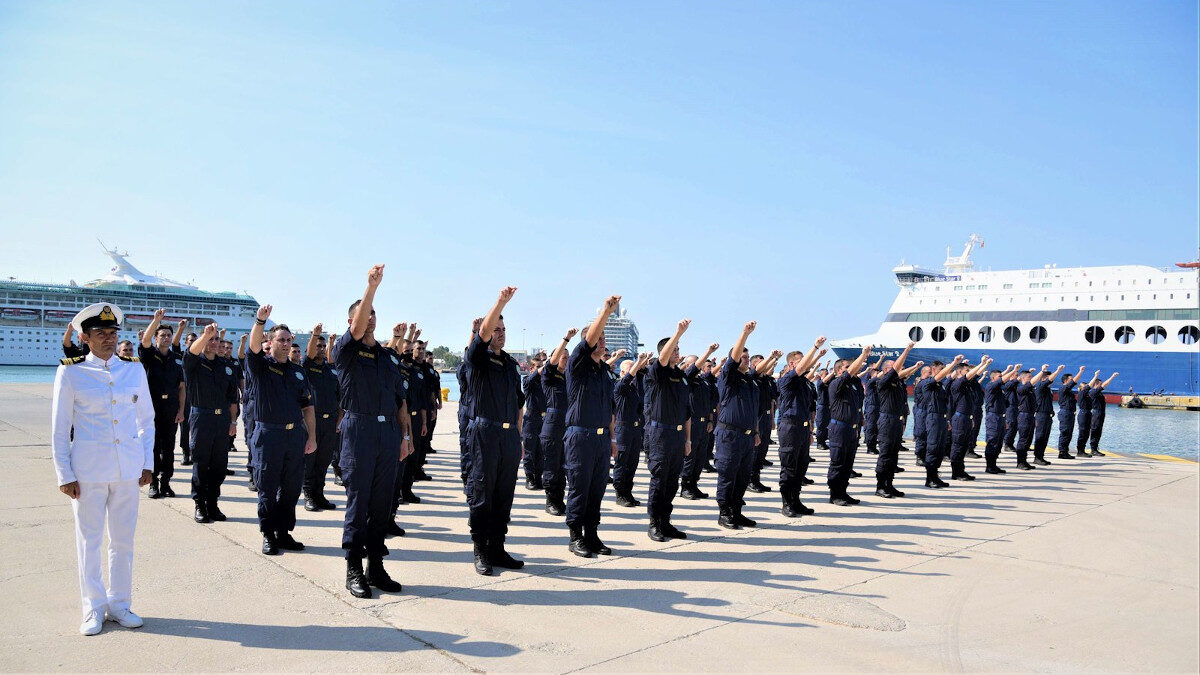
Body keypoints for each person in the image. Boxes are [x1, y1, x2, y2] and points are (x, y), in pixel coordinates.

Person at [51, 303, 154, 635]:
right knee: (89, 542)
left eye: (113, 334)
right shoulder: (71, 371)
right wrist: (64, 473)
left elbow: (147, 420)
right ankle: (93, 608)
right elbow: (59, 426)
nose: (109, 339)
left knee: (123, 541)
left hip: (127, 470)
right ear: (85, 337)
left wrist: (147, 462)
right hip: (88, 473)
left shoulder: (134, 370)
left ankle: (120, 604)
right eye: (100, 334)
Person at [332, 266, 413, 597]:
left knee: (382, 503)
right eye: (364, 316)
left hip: (388, 433)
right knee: (359, 501)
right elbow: (357, 323)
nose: (370, 320)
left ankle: (375, 567)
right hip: (358, 430)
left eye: (373, 316)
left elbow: (400, 402)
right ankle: (353, 567)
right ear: (352, 321)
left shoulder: (387, 358)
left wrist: (406, 437)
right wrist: (371, 288)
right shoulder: (346, 351)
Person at [463, 287, 526, 575]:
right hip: (483, 434)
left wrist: (519, 436)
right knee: (482, 492)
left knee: (504, 494)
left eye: (504, 328)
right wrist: (500, 303)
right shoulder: (477, 358)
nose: (500, 333)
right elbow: (482, 335)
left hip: (508, 437)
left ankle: (498, 547)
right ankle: (481, 549)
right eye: (495, 328)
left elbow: (519, 405)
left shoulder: (512, 365)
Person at [246, 306, 317, 556]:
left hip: (294, 436)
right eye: (281, 340)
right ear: (270, 341)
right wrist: (260, 320)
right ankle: (268, 534)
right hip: (268, 436)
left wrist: (312, 437)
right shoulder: (260, 367)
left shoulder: (298, 372)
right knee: (267, 487)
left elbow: (308, 407)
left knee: (291, 487)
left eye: (289, 340)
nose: (286, 344)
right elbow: (253, 346)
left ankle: (284, 532)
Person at [563, 296, 621, 557]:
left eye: (604, 340)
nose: (602, 342)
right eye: (598, 338)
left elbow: (610, 409)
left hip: (600, 440)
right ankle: (576, 537)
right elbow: (588, 341)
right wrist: (607, 312)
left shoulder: (604, 372)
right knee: (579, 487)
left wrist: (612, 439)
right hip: (579, 436)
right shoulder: (578, 364)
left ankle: (592, 534)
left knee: (597, 488)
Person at [643, 320, 694, 542]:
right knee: (660, 479)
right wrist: (678, 333)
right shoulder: (657, 372)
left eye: (678, 349)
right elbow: (663, 360)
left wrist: (688, 440)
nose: (676, 352)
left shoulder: (681, 377)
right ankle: (654, 523)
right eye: (673, 349)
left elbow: (687, 412)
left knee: (673, 480)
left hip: (677, 435)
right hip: (660, 435)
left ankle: (666, 521)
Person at [185, 323, 240, 523]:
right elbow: (191, 352)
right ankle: (199, 503)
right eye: (210, 339)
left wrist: (233, 421)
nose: (215, 342)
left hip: (222, 419)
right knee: (201, 462)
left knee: (219, 464)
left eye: (216, 339)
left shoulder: (226, 366)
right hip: (202, 417)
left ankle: (212, 503)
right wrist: (205, 334)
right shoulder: (194, 363)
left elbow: (232, 398)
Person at [714, 321, 761, 529]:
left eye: (748, 358)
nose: (747, 360)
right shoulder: (728, 376)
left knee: (743, 476)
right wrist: (745, 334)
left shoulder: (750, 381)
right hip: (729, 435)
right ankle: (724, 513)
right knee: (727, 474)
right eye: (743, 357)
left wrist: (756, 432)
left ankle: (737, 511)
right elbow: (733, 360)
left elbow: (754, 410)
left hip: (748, 436)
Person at [137, 310, 185, 500]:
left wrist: (181, 410)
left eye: (168, 335)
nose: (166, 338)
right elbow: (145, 342)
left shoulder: (177, 358)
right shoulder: (149, 356)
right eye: (162, 335)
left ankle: (166, 483)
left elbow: (182, 387)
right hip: (152, 408)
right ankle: (153, 483)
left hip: (171, 409)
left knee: (169, 448)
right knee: (154, 447)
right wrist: (156, 321)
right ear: (156, 338)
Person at [775, 338, 825, 516]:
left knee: (801, 467)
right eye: (801, 360)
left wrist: (810, 430)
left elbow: (808, 409)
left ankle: (796, 500)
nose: (805, 364)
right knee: (788, 467)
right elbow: (802, 368)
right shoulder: (787, 379)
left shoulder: (805, 383)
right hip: (790, 427)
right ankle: (786, 503)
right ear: (791, 363)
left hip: (803, 428)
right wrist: (815, 347)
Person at [826, 346, 872, 505]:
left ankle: (843, 492)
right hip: (839, 428)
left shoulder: (853, 385)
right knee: (838, 462)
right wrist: (863, 354)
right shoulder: (836, 384)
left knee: (848, 462)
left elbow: (856, 405)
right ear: (839, 371)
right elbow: (851, 371)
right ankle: (834, 494)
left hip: (851, 429)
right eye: (846, 368)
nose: (849, 370)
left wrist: (860, 418)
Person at [873, 343, 920, 498]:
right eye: (894, 368)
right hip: (886, 420)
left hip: (896, 420)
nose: (898, 370)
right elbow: (896, 370)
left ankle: (889, 484)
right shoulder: (883, 382)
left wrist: (915, 366)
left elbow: (902, 373)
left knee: (894, 454)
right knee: (885, 453)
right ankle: (880, 486)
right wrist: (906, 350)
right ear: (886, 370)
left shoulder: (898, 382)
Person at [302, 326, 341, 511]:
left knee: (324, 460)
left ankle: (319, 493)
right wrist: (315, 335)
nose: (321, 348)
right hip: (313, 421)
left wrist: (339, 420)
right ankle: (308, 494)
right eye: (318, 345)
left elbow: (340, 398)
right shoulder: (307, 367)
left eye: (323, 346)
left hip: (330, 421)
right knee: (310, 460)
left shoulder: (332, 370)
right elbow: (309, 354)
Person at [539, 328, 575, 516]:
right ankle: (551, 500)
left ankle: (560, 499)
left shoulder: (570, 378)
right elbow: (551, 364)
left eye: (568, 357)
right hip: (552, 424)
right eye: (562, 355)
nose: (566, 359)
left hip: (568, 425)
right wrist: (566, 340)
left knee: (565, 465)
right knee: (552, 465)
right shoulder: (550, 376)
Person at [680, 343, 719, 501]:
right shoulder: (687, 379)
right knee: (690, 457)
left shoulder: (703, 381)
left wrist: (710, 420)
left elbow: (709, 404)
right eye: (697, 363)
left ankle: (694, 485)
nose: (701, 365)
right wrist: (708, 351)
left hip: (704, 424)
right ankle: (685, 487)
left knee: (700, 457)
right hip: (692, 423)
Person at [612, 352, 652, 507]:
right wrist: (639, 362)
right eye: (631, 371)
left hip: (635, 430)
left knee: (632, 463)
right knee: (622, 463)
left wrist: (644, 362)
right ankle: (620, 494)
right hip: (623, 428)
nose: (634, 374)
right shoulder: (619, 386)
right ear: (622, 373)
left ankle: (628, 492)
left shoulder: (636, 388)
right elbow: (629, 377)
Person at [921, 357, 961, 487]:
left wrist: (947, 420)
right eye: (941, 369)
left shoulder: (940, 385)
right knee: (932, 448)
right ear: (934, 370)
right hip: (933, 418)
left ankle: (935, 476)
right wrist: (954, 363)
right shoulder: (928, 382)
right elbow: (943, 376)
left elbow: (949, 378)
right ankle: (929, 478)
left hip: (941, 418)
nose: (943, 371)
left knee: (940, 448)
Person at [948, 357, 991, 481]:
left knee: (964, 446)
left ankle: (961, 471)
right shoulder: (957, 383)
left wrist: (985, 365)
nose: (968, 372)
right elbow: (972, 374)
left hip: (966, 418)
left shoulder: (967, 385)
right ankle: (956, 472)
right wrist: (982, 363)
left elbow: (975, 374)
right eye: (966, 370)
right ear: (960, 372)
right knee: (958, 446)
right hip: (960, 419)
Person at [982, 364, 1020, 473]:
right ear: (993, 378)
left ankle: (994, 464)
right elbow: (1001, 381)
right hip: (993, 417)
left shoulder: (1000, 390)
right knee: (992, 440)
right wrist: (1013, 371)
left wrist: (1005, 419)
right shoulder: (990, 386)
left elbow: (1005, 404)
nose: (1001, 378)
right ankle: (989, 466)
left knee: (998, 442)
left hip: (1000, 417)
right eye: (999, 376)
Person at [521, 353, 547, 490]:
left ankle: (538, 477)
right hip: (531, 419)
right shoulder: (527, 381)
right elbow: (530, 380)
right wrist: (538, 372)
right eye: (537, 367)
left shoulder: (544, 382)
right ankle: (529, 477)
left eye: (541, 366)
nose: (541, 369)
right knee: (530, 449)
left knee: (541, 451)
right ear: (531, 369)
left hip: (544, 419)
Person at [1032, 364, 1066, 465]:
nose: (1052, 380)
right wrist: (1058, 371)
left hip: (1047, 415)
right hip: (1041, 415)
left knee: (1045, 437)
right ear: (1044, 378)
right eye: (1049, 377)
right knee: (1040, 436)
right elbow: (1048, 380)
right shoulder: (1041, 387)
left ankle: (1041, 456)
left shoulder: (1048, 389)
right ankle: (1037, 457)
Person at [1055, 366, 1087, 460]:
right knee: (1065, 432)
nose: (1072, 380)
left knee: (1069, 433)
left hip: (1069, 413)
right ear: (1065, 381)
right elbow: (1073, 383)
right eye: (1071, 379)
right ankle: (1062, 452)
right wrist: (1080, 371)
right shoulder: (1063, 389)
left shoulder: (1068, 391)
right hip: (1065, 413)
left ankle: (1065, 451)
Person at [1088, 371, 1119, 457]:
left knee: (1098, 431)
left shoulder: (1098, 392)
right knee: (1095, 430)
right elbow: (1105, 385)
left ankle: (1095, 448)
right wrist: (1112, 377)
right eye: (1100, 384)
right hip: (1096, 413)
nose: (1101, 386)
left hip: (1100, 413)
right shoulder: (1093, 392)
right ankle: (1093, 449)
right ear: (1096, 384)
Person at [911, 365, 929, 467]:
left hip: (927, 411)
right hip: (922, 411)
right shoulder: (922, 383)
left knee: (927, 435)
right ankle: (919, 457)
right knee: (921, 434)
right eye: (929, 373)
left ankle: (925, 455)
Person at [1075, 378, 1094, 457]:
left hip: (1088, 413)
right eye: (1085, 386)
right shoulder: (1081, 393)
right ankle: (1080, 451)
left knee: (1086, 433)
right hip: (1083, 413)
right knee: (1082, 433)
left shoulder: (1086, 395)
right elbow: (1088, 387)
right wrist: (1095, 376)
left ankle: (1082, 450)